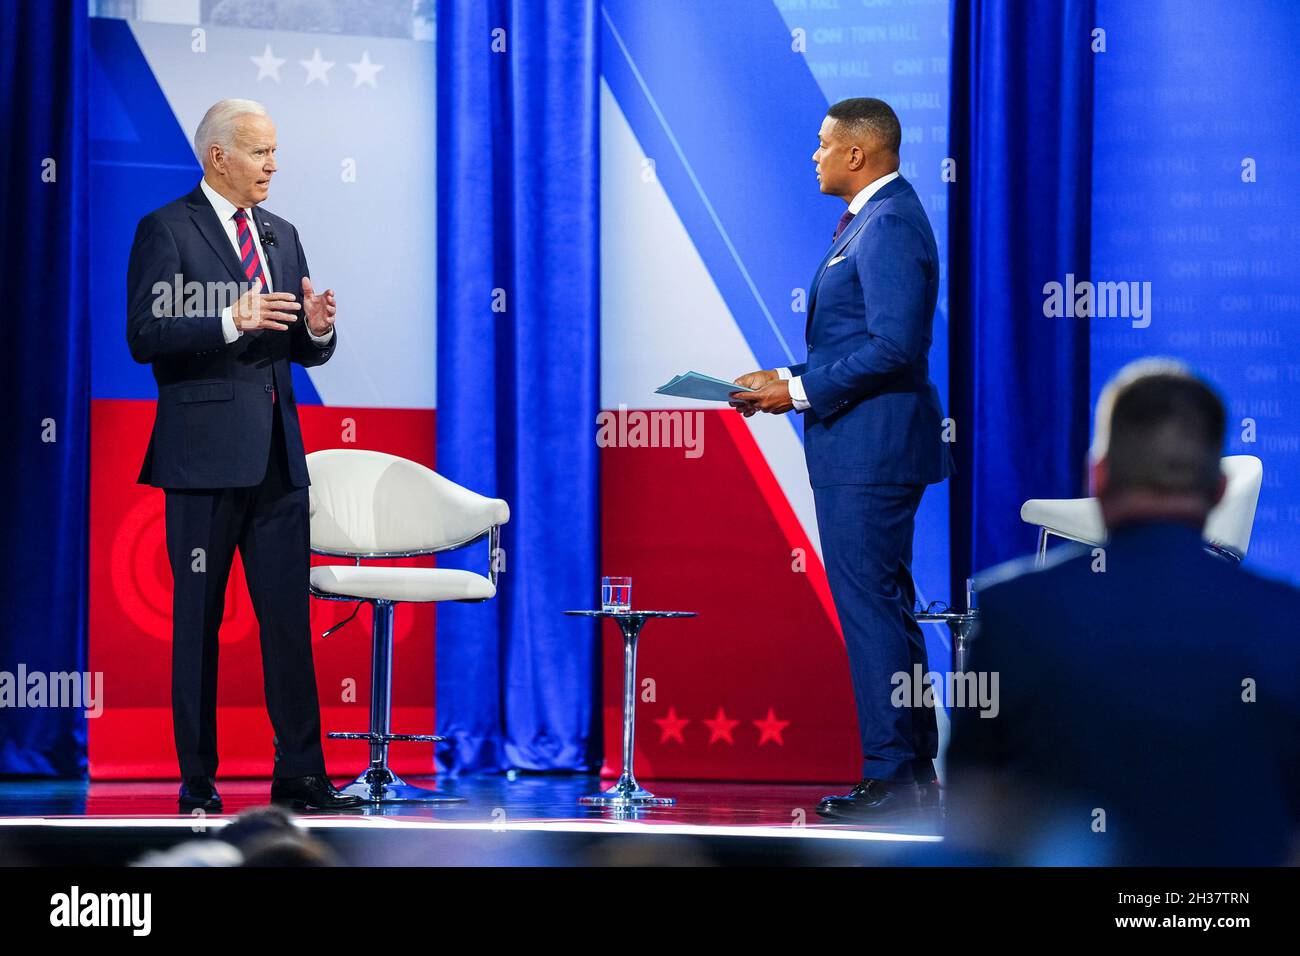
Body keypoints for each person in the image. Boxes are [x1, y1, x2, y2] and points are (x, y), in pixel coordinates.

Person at [947, 361, 1300, 864]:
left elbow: (973, 818)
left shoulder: (1011, 614)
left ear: (1098, 476)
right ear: (1219, 490)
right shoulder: (1287, 621)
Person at [126, 98, 360, 812]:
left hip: (279, 463)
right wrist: (231, 316)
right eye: (259, 152)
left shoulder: (283, 236)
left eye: (274, 151)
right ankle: (198, 780)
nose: (273, 165)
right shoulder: (167, 228)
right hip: (201, 462)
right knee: (196, 623)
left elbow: (295, 347)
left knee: (287, 621)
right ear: (217, 156)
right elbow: (144, 333)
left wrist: (317, 332)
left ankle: (302, 774)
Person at [731, 98, 954, 820]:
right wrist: (785, 378)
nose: (815, 155)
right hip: (864, 444)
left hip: (872, 450)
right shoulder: (875, 220)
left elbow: (896, 347)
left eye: (823, 144)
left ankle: (891, 777)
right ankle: (912, 771)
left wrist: (797, 390)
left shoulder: (887, 223)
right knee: (884, 609)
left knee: (870, 612)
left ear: (858, 153)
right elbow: (859, 340)